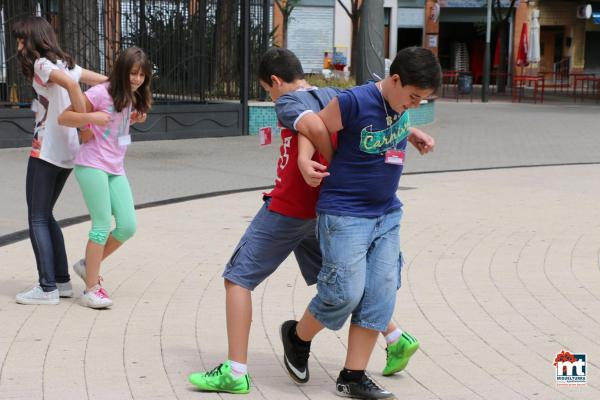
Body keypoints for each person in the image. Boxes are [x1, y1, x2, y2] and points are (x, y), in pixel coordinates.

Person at [279, 46, 441, 399]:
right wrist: (305, 162)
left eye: (422, 101)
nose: (414, 105)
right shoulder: (355, 100)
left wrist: (413, 134)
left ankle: (353, 376)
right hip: (345, 214)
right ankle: (297, 336)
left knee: (380, 296)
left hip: (387, 214)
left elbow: (391, 125)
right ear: (395, 80)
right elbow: (313, 127)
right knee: (343, 294)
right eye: (413, 97)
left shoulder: (400, 105)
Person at [13, 16, 107, 305]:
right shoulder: (64, 62)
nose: (18, 46)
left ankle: (46, 288)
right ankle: (62, 281)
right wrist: (117, 87)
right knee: (47, 215)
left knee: (37, 217)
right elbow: (99, 79)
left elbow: (71, 84)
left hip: (47, 150)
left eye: (21, 40)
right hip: (66, 152)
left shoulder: (42, 64)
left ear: (33, 40)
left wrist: (83, 121)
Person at [57, 46, 152, 308]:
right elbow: (64, 118)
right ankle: (90, 288)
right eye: (133, 73)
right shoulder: (100, 92)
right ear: (122, 70)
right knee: (100, 225)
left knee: (127, 226)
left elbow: (116, 125)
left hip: (115, 167)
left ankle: (88, 265)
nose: (137, 79)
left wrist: (133, 119)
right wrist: (92, 118)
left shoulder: (130, 96)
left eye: (142, 75)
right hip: (91, 165)